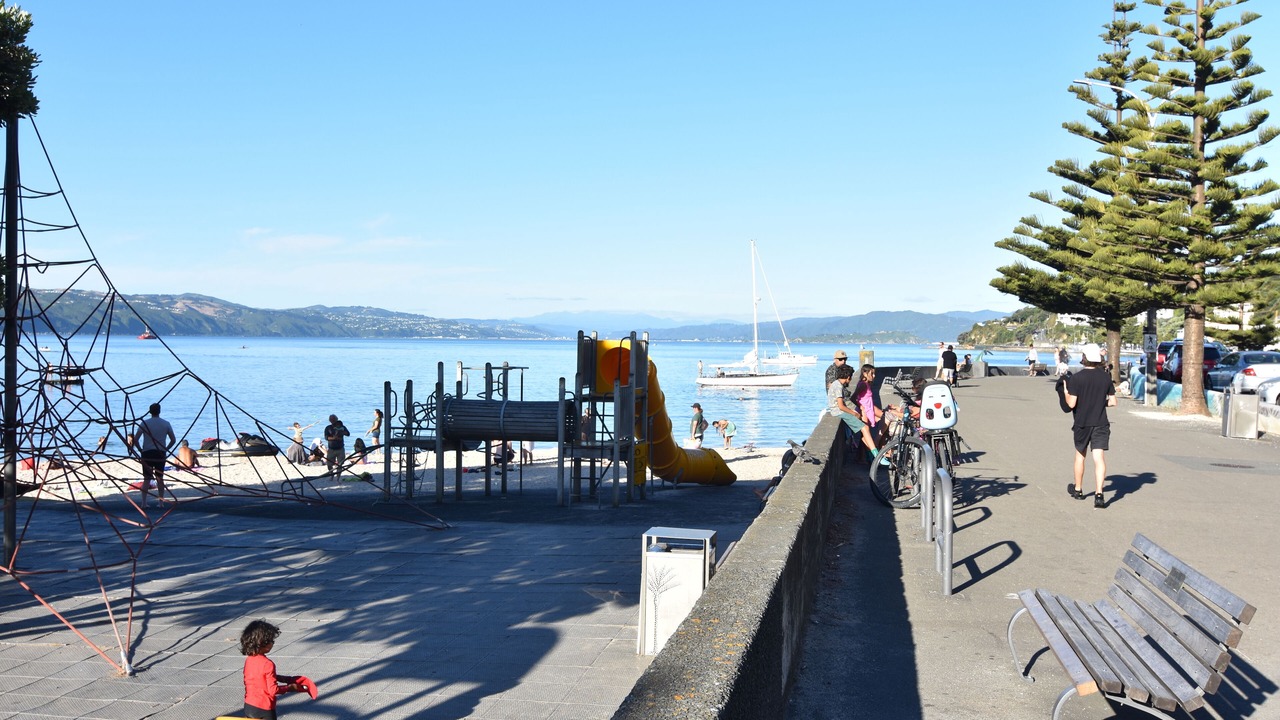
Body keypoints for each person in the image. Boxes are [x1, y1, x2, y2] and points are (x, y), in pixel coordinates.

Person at [1063, 343, 1117, 509]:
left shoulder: (1077, 378)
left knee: (1080, 455)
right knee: (1099, 458)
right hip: (1101, 422)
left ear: (1084, 358)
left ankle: (1078, 489)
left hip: (1082, 423)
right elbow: (1113, 402)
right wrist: (1099, 402)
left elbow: (1071, 404)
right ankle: (1099, 494)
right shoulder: (1105, 378)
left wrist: (1065, 392)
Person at [239, 619, 314, 719]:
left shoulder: (249, 660)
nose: (273, 643)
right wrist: (290, 688)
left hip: (249, 706)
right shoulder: (267, 664)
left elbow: (259, 677)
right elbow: (273, 690)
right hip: (264, 708)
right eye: (271, 641)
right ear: (262, 642)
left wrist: (285, 678)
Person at [827, 365, 878, 456]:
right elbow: (841, 406)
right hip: (838, 412)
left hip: (836, 411)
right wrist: (854, 414)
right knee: (865, 428)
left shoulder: (835, 383)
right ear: (848, 377)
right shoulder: (839, 387)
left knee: (863, 430)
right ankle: (876, 453)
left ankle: (871, 454)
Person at [134, 403, 176, 508]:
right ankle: (160, 502)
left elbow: (135, 439)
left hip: (147, 452)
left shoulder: (144, 423)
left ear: (150, 411)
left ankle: (144, 503)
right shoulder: (166, 423)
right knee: (160, 478)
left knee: (147, 478)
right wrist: (166, 449)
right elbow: (173, 440)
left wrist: (140, 450)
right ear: (159, 411)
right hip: (160, 453)